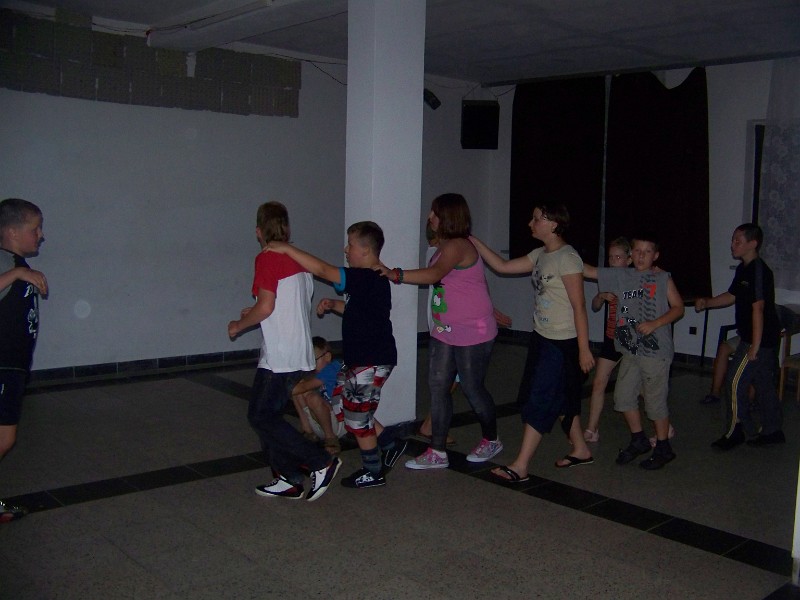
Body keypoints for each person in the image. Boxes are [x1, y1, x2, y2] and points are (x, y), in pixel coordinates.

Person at [268, 221, 403, 489]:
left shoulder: (365, 277)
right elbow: (360, 312)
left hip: (371, 360)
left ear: (366, 250)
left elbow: (322, 270)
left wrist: (287, 249)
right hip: (362, 359)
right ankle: (390, 443)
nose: (346, 249)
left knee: (357, 416)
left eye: (350, 245)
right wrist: (334, 305)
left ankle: (373, 472)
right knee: (350, 406)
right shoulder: (370, 280)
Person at [470, 202, 595, 482]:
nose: (530, 223)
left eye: (536, 219)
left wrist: (584, 349)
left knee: (540, 398)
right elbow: (502, 266)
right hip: (542, 338)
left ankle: (520, 466)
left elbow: (579, 306)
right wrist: (472, 240)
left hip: (562, 343)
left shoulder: (567, 258)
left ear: (553, 224)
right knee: (560, 398)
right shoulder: (540, 254)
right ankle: (581, 449)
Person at [228, 201, 340, 502]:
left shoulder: (267, 258)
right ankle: (287, 478)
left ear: (258, 231)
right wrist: (254, 310)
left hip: (281, 355)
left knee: (261, 417)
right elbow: (284, 304)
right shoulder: (299, 259)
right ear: (286, 229)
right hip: (297, 351)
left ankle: (320, 462)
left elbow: (267, 307)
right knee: (270, 417)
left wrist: (239, 325)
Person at [382, 194, 503, 469]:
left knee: (472, 387)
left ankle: (491, 439)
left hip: (473, 330)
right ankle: (437, 451)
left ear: (448, 217)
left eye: (434, 213)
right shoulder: (445, 245)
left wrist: (395, 274)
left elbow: (434, 275)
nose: (429, 217)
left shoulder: (459, 245)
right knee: (438, 386)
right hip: (444, 329)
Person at [584, 232, 684, 470]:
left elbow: (678, 308)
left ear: (655, 256)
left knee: (654, 402)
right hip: (630, 350)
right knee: (623, 397)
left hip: (656, 352)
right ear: (631, 254)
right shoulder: (621, 275)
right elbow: (589, 271)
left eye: (647, 252)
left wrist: (655, 323)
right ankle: (639, 439)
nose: (641, 256)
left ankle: (663, 447)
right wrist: (560, 252)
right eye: (637, 251)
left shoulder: (662, 278)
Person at [694, 223, 784, 449]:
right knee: (763, 384)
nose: (732, 245)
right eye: (733, 240)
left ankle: (737, 431)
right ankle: (773, 430)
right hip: (760, 339)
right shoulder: (743, 269)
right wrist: (707, 302)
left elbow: (758, 308)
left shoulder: (759, 271)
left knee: (734, 382)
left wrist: (754, 345)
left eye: (738, 241)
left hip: (759, 339)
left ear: (752, 244)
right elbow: (732, 295)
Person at [0, 198, 47, 522]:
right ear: (13, 232)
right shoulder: (6, 261)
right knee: (5, 438)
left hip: (13, 366)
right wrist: (17, 273)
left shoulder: (17, 264)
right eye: (35, 229)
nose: (41, 235)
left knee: (5, 438)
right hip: (2, 365)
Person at [584, 237, 632, 443]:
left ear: (629, 259)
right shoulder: (607, 279)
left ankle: (664, 428)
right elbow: (595, 306)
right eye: (611, 258)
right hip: (611, 338)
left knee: (641, 388)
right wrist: (601, 296)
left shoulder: (635, 278)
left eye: (618, 257)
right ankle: (592, 429)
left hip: (631, 340)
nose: (614, 261)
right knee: (598, 383)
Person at [291, 336, 345, 455]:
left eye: (313, 360)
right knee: (299, 389)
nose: (310, 365)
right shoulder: (320, 372)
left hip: (340, 422)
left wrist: (276, 390)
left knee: (310, 396)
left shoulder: (332, 368)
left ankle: (330, 438)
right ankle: (307, 430)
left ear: (327, 356)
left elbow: (304, 387)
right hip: (326, 421)